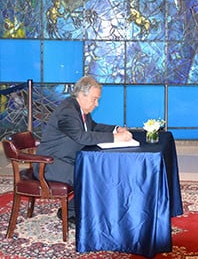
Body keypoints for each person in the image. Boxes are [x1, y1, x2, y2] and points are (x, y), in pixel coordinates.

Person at [33, 75, 132, 227]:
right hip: (49, 165)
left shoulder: (77, 108)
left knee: (98, 171)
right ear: (81, 95)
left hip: (64, 160)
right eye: (94, 99)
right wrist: (116, 138)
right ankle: (71, 214)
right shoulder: (68, 111)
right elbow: (82, 137)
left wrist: (115, 129)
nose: (97, 104)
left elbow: (93, 127)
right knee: (92, 176)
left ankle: (77, 209)